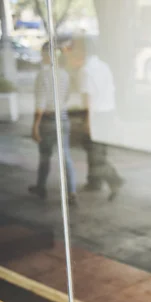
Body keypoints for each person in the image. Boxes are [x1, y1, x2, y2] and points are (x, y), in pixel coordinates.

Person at [70, 36, 124, 201]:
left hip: (95, 115)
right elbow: (111, 92)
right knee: (98, 150)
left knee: (95, 154)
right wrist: (114, 116)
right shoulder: (104, 66)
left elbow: (88, 98)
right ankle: (94, 182)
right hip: (107, 113)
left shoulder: (86, 70)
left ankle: (115, 180)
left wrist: (87, 121)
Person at [28, 41, 77, 205]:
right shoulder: (64, 74)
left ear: (47, 55)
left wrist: (35, 125)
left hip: (48, 120)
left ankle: (41, 186)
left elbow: (40, 103)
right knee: (66, 156)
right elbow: (68, 96)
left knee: (45, 156)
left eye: (43, 53)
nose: (41, 56)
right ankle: (71, 191)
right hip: (63, 118)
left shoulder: (43, 75)